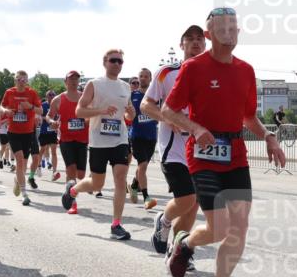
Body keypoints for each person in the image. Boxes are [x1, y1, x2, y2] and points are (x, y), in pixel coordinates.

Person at [164, 8, 286, 277]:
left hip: (235, 156)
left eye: (233, 28)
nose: (229, 33)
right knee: (218, 228)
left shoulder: (246, 70)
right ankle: (185, 244)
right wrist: (195, 127)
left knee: (239, 228)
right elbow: (167, 110)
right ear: (209, 35)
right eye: (222, 28)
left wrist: (269, 137)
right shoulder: (193, 68)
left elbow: (248, 116)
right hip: (203, 156)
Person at [141, 24, 207, 255]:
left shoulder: (211, 74)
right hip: (174, 148)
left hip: (201, 150)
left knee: (193, 205)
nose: (195, 42)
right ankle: (164, 219)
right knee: (186, 198)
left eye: (200, 38)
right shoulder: (167, 72)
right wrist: (168, 119)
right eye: (190, 38)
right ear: (182, 45)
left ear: (205, 44)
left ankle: (179, 252)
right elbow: (146, 105)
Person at [65, 49, 135, 239]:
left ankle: (116, 224)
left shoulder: (125, 87)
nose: (117, 64)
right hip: (98, 140)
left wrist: (131, 113)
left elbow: (128, 115)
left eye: (120, 61)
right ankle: (73, 190)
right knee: (97, 184)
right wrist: (102, 110)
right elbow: (79, 111)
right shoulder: (94, 84)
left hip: (119, 138)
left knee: (120, 179)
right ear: (105, 62)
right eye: (113, 60)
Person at [49, 70, 90, 213]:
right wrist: (52, 122)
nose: (73, 81)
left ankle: (72, 190)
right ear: (65, 82)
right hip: (66, 139)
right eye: (71, 79)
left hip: (82, 139)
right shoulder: (58, 99)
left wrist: (88, 120)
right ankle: (72, 202)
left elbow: (91, 114)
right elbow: (48, 116)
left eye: (76, 79)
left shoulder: (84, 98)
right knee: (71, 170)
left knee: (81, 175)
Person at [0, 71, 42, 206]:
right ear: (15, 80)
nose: (21, 81)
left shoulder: (32, 93)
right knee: (19, 161)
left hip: (28, 132)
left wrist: (30, 107)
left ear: (27, 81)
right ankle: (24, 194)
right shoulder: (9, 92)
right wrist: (6, 111)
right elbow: (1, 106)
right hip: (13, 132)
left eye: (24, 79)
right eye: (19, 79)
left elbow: (40, 111)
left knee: (23, 165)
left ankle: (18, 180)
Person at [129, 67, 159, 210]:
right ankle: (146, 196)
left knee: (143, 167)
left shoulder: (156, 96)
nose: (143, 78)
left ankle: (134, 185)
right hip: (137, 136)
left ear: (150, 78)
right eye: (141, 76)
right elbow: (127, 115)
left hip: (152, 136)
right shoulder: (132, 95)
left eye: (146, 76)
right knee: (143, 165)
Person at [39, 90, 60, 181]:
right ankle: (38, 166)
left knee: (54, 151)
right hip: (44, 131)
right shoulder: (43, 105)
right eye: (49, 95)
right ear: (46, 96)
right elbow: (40, 116)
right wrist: (48, 118)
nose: (51, 97)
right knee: (42, 150)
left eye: (53, 95)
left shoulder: (57, 105)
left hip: (53, 132)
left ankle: (54, 172)